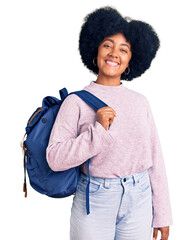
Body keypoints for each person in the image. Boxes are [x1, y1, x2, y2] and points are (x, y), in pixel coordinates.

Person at [46, 6, 173, 240]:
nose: (115, 53)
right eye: (107, 45)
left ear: (130, 61)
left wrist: (163, 214)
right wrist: (97, 131)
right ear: (95, 51)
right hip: (94, 200)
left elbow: (154, 158)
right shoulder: (75, 102)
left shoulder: (140, 102)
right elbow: (55, 158)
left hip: (140, 197)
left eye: (123, 49)